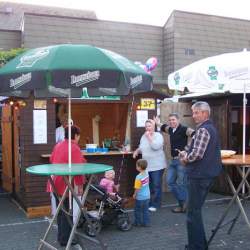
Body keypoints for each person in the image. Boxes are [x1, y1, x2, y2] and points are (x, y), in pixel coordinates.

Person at [178, 101, 222, 250]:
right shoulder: (210, 129)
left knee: (193, 214)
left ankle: (195, 247)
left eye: (196, 112)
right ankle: (200, 245)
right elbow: (197, 151)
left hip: (198, 176)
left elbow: (197, 154)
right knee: (195, 212)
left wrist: (185, 159)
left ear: (205, 113)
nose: (194, 115)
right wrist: (187, 152)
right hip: (204, 176)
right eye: (193, 112)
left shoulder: (203, 130)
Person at [50, 125, 87, 247]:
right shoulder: (74, 148)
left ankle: (62, 237)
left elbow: (51, 159)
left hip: (55, 182)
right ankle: (66, 239)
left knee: (61, 211)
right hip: (66, 184)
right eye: (78, 136)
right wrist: (80, 185)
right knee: (67, 211)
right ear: (76, 135)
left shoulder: (58, 145)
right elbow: (78, 169)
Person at [154, 113, 194, 213]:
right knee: (170, 182)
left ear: (178, 120)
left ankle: (183, 205)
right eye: (170, 120)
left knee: (181, 183)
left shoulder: (184, 129)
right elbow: (164, 127)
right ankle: (184, 203)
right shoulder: (171, 129)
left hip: (181, 161)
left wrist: (187, 149)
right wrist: (158, 123)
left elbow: (196, 135)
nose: (172, 122)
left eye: (173, 120)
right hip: (173, 161)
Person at [133, 119, 167, 212]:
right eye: (146, 126)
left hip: (157, 165)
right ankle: (150, 203)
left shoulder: (158, 136)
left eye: (150, 126)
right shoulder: (143, 136)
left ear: (154, 127)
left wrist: (149, 137)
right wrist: (137, 151)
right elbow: (141, 147)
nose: (148, 128)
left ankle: (156, 204)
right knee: (149, 185)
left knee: (156, 185)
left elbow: (156, 146)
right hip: (147, 166)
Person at [133, 159, 150, 227]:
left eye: (136, 166)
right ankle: (146, 223)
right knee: (145, 210)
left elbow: (137, 188)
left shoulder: (138, 177)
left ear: (139, 167)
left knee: (138, 210)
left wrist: (134, 194)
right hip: (147, 196)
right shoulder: (147, 172)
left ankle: (138, 222)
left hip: (140, 197)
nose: (136, 167)